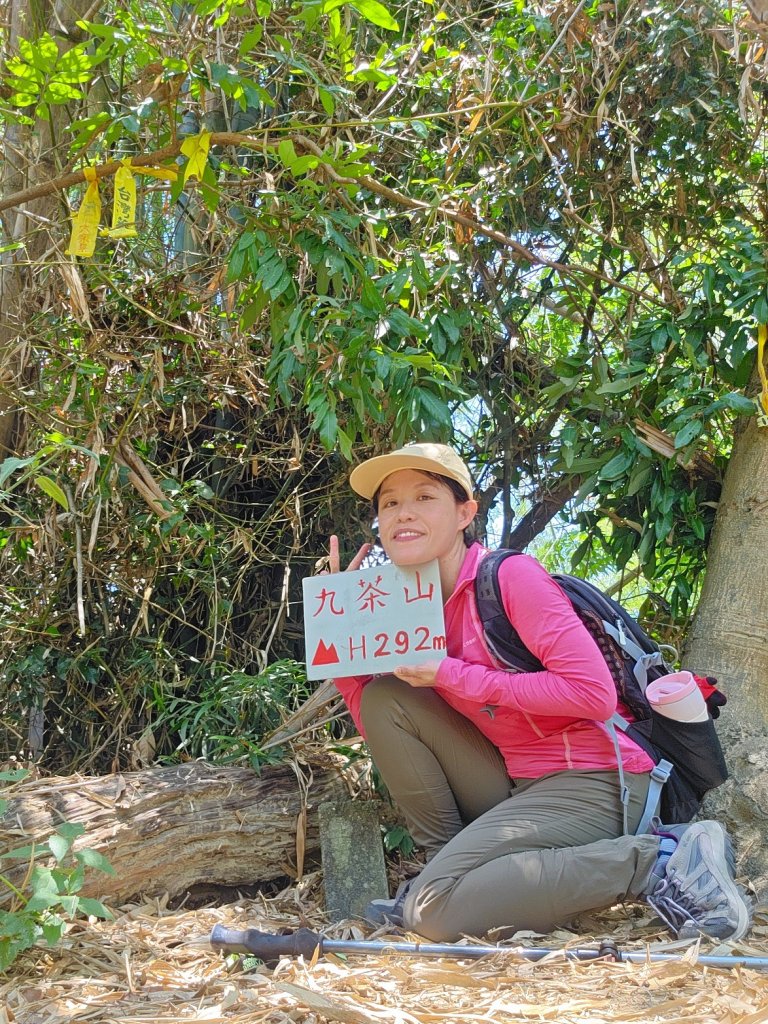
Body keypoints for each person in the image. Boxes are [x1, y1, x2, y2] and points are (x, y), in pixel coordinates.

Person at [327, 441, 752, 944]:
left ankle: (661, 860)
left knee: (433, 913)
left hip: (597, 776)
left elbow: (592, 694)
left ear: (465, 513)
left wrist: (449, 674)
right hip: (516, 779)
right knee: (385, 698)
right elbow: (380, 721)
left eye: (424, 497)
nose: (404, 514)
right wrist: (345, 629)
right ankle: (438, 874)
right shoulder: (411, 609)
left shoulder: (508, 577)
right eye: (390, 503)